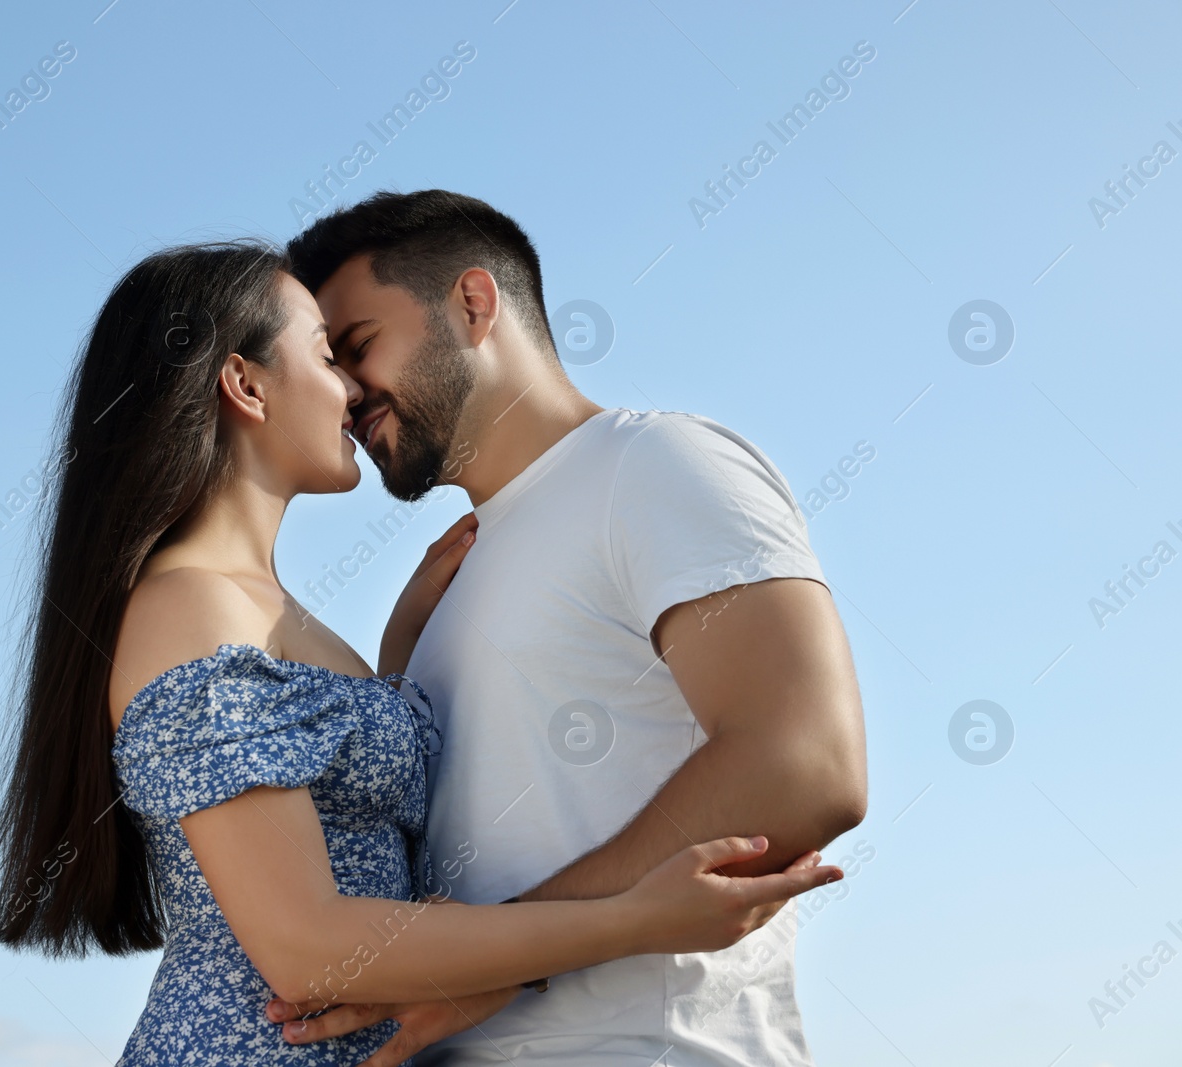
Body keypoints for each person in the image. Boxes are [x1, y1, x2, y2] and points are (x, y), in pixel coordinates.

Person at [0, 240, 845, 1066]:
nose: (351, 386)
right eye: (327, 354)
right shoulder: (191, 603)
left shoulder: (272, 617)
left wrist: (405, 659)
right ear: (246, 387)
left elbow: (346, 817)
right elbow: (306, 942)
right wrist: (627, 919)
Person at [262, 190, 869, 1066]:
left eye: (359, 348)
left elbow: (806, 765)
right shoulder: (448, 583)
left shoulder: (655, 463)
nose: (349, 395)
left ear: (474, 302)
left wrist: (496, 961)